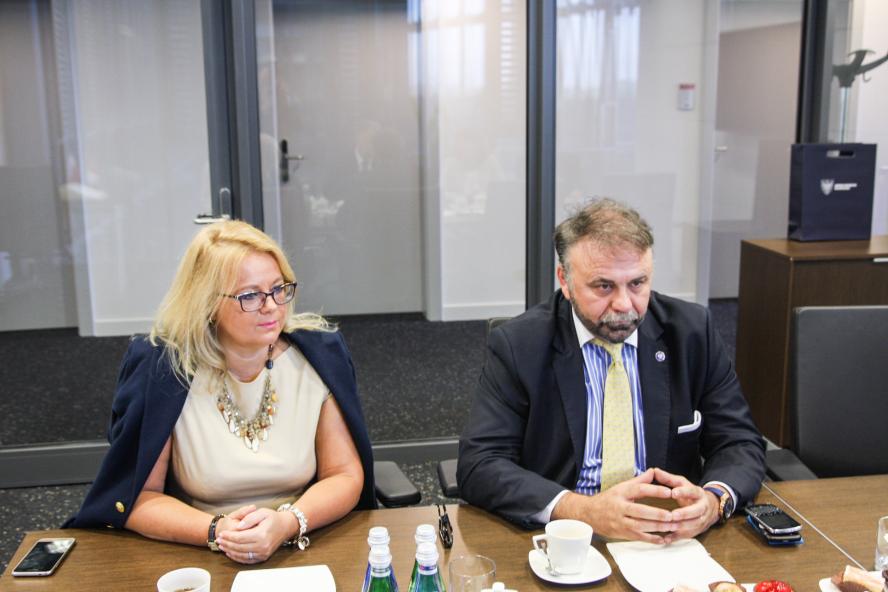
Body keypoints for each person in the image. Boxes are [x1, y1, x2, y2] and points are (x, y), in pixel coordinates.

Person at [65, 220, 375, 564]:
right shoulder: (163, 368)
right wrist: (219, 531)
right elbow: (139, 496)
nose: (271, 306)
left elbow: (344, 475)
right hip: (197, 549)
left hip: (304, 540)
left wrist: (288, 523)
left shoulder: (318, 356)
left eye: (278, 288)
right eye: (250, 295)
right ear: (207, 302)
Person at [457, 198, 765, 543]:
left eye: (637, 283)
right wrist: (581, 509)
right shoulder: (520, 345)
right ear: (565, 280)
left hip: (668, 534)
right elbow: (480, 464)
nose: (623, 304)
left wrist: (713, 500)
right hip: (567, 535)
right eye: (603, 286)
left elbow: (739, 441)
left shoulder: (691, 332)